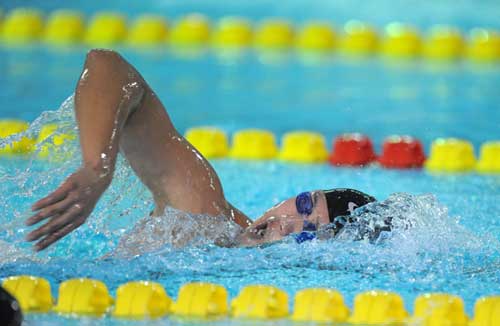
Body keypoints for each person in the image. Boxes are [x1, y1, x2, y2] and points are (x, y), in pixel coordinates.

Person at [24, 49, 380, 251]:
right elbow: (107, 66)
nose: (285, 224)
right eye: (303, 205)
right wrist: (97, 167)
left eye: (308, 231)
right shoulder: (204, 213)